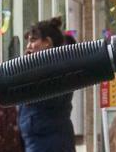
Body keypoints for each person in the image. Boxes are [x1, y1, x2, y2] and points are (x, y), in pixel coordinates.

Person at [18, 17, 76, 152]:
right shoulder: (46, 68)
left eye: (33, 40)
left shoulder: (57, 70)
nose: (28, 46)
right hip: (38, 141)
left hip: (48, 142)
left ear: (47, 42)